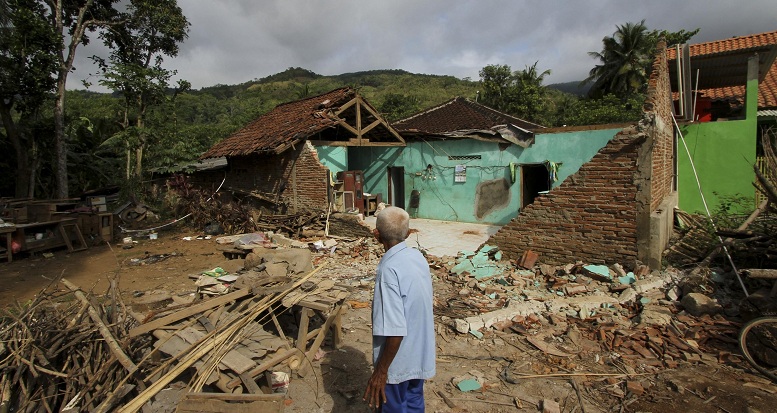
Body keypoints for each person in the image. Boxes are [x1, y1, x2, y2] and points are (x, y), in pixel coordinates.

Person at [364, 206, 435, 412]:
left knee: (393, 407)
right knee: (413, 404)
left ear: (377, 235)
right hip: (418, 356)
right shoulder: (417, 258)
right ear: (408, 232)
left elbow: (394, 330)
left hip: (398, 362)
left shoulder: (389, 269)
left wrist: (381, 371)